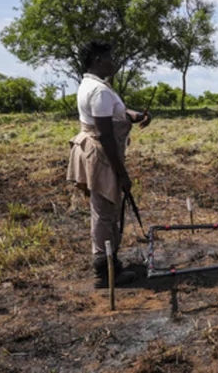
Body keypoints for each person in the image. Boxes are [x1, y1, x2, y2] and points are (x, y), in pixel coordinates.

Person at [67, 40, 152, 288]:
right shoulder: (99, 91)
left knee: (106, 210)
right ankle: (105, 273)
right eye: (110, 58)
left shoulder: (91, 86)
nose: (114, 63)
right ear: (98, 60)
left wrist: (138, 116)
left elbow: (117, 113)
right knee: (104, 213)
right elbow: (105, 135)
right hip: (102, 156)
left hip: (97, 152)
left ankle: (110, 262)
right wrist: (121, 173)